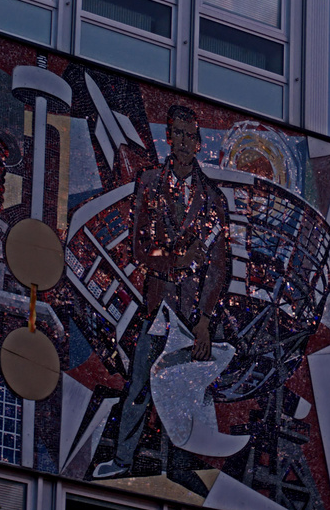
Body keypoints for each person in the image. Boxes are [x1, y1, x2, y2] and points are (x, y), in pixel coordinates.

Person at [93, 104, 245, 478]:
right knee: (140, 386)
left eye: (187, 135)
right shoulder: (148, 184)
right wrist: (179, 260)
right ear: (169, 138)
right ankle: (124, 460)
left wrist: (206, 321)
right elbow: (140, 250)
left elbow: (219, 267)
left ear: (197, 143)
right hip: (160, 309)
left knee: (193, 391)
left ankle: (189, 465)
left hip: (194, 314)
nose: (180, 141)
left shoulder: (213, 200)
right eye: (174, 133)